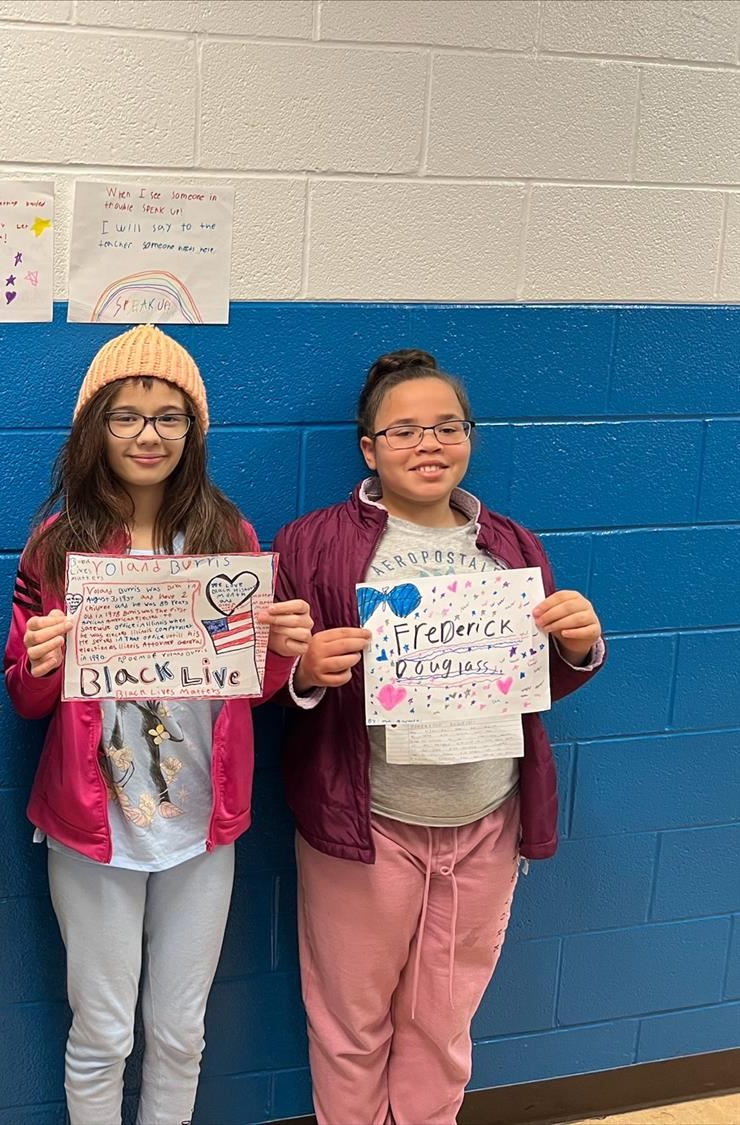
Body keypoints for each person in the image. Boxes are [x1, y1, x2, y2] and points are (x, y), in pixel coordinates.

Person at [275, 348, 606, 1125]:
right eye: (404, 430)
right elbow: (268, 677)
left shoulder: (512, 545)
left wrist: (579, 644)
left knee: (443, 1020)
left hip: (485, 819)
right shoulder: (312, 542)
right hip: (364, 824)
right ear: (369, 448)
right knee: (350, 1023)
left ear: (469, 437)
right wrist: (307, 670)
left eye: (446, 427)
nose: (429, 444)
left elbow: (533, 684)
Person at [3, 324, 315, 1125]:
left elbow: (249, 689)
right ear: (94, 429)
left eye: (169, 415)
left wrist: (280, 652)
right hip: (93, 819)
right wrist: (40, 660)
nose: (149, 434)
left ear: (194, 429)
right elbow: (27, 699)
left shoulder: (229, 537)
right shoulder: (56, 545)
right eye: (127, 414)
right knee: (103, 1031)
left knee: (180, 1031)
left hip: (201, 821)